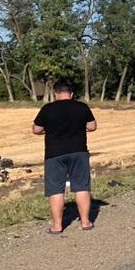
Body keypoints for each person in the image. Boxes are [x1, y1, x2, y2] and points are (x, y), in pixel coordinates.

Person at [32, 80, 97, 234]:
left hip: (54, 154)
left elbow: (36, 129)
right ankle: (86, 222)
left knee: (56, 189)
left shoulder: (48, 109)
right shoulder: (81, 107)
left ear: (55, 94)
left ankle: (57, 226)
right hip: (78, 151)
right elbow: (92, 126)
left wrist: (47, 130)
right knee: (81, 186)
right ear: (72, 94)